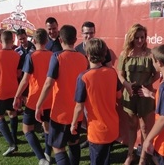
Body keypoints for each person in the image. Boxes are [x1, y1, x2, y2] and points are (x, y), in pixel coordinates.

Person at [35, 25, 88, 165]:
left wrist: (38, 105)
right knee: (74, 142)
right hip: (77, 112)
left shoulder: (57, 57)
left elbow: (48, 84)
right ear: (76, 39)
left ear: (60, 39)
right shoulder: (83, 58)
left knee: (58, 148)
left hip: (60, 113)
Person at [70, 38, 122, 165]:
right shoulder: (112, 72)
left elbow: (79, 106)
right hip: (112, 126)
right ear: (105, 54)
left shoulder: (84, 77)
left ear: (87, 55)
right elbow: (119, 95)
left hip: (97, 131)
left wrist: (73, 123)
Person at [117, 24, 158, 165]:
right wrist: (126, 85)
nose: (140, 40)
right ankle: (130, 155)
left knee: (145, 127)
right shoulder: (125, 54)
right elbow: (120, 74)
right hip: (130, 94)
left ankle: (144, 157)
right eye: (137, 37)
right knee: (131, 125)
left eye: (142, 37)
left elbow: (157, 73)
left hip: (145, 95)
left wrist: (147, 84)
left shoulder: (150, 53)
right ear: (131, 38)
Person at [13, 28, 52, 165]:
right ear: (47, 41)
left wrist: (17, 96)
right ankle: (47, 153)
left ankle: (42, 157)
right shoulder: (53, 55)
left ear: (33, 41)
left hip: (34, 99)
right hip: (50, 98)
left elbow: (25, 80)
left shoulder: (31, 56)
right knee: (46, 127)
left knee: (27, 129)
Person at [75, 21, 112, 149]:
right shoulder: (78, 49)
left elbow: (109, 67)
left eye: (91, 33)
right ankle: (89, 137)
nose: (89, 36)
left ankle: (105, 140)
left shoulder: (102, 48)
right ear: (81, 33)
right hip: (85, 88)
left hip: (99, 89)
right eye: (86, 33)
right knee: (86, 116)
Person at [0, 30, 23, 156]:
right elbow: (19, 73)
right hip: (13, 89)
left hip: (0, 90)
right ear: (12, 40)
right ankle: (14, 138)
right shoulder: (17, 55)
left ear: (0, 40)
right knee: (13, 113)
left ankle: (12, 144)